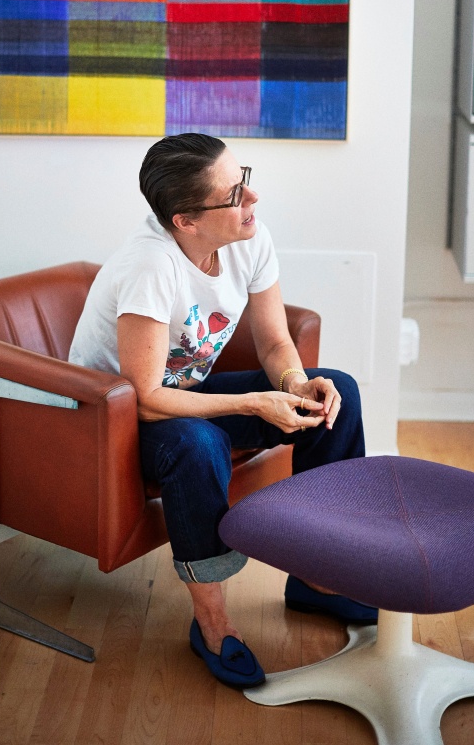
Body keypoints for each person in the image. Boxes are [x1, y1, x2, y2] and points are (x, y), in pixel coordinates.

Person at [69, 133, 375, 688]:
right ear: (185, 220)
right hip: (118, 422)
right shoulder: (149, 266)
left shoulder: (248, 239)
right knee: (197, 442)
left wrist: (296, 384)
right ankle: (211, 622)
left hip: (187, 394)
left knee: (340, 391)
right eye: (235, 194)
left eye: (246, 180)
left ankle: (319, 578)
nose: (253, 200)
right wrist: (253, 402)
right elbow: (145, 396)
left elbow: (276, 342)